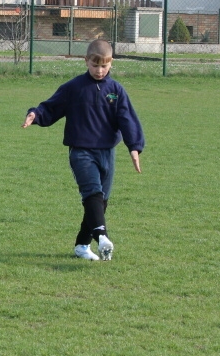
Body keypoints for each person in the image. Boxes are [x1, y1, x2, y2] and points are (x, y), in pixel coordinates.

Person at [21, 39, 143, 261]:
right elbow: (51, 107)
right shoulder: (73, 88)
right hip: (81, 152)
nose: (99, 70)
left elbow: (127, 119)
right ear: (86, 61)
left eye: (104, 66)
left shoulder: (116, 90)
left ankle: (82, 245)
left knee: (100, 201)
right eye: (95, 65)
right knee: (92, 194)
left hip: (107, 153)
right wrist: (35, 115)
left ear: (111, 64)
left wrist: (134, 147)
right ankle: (103, 238)